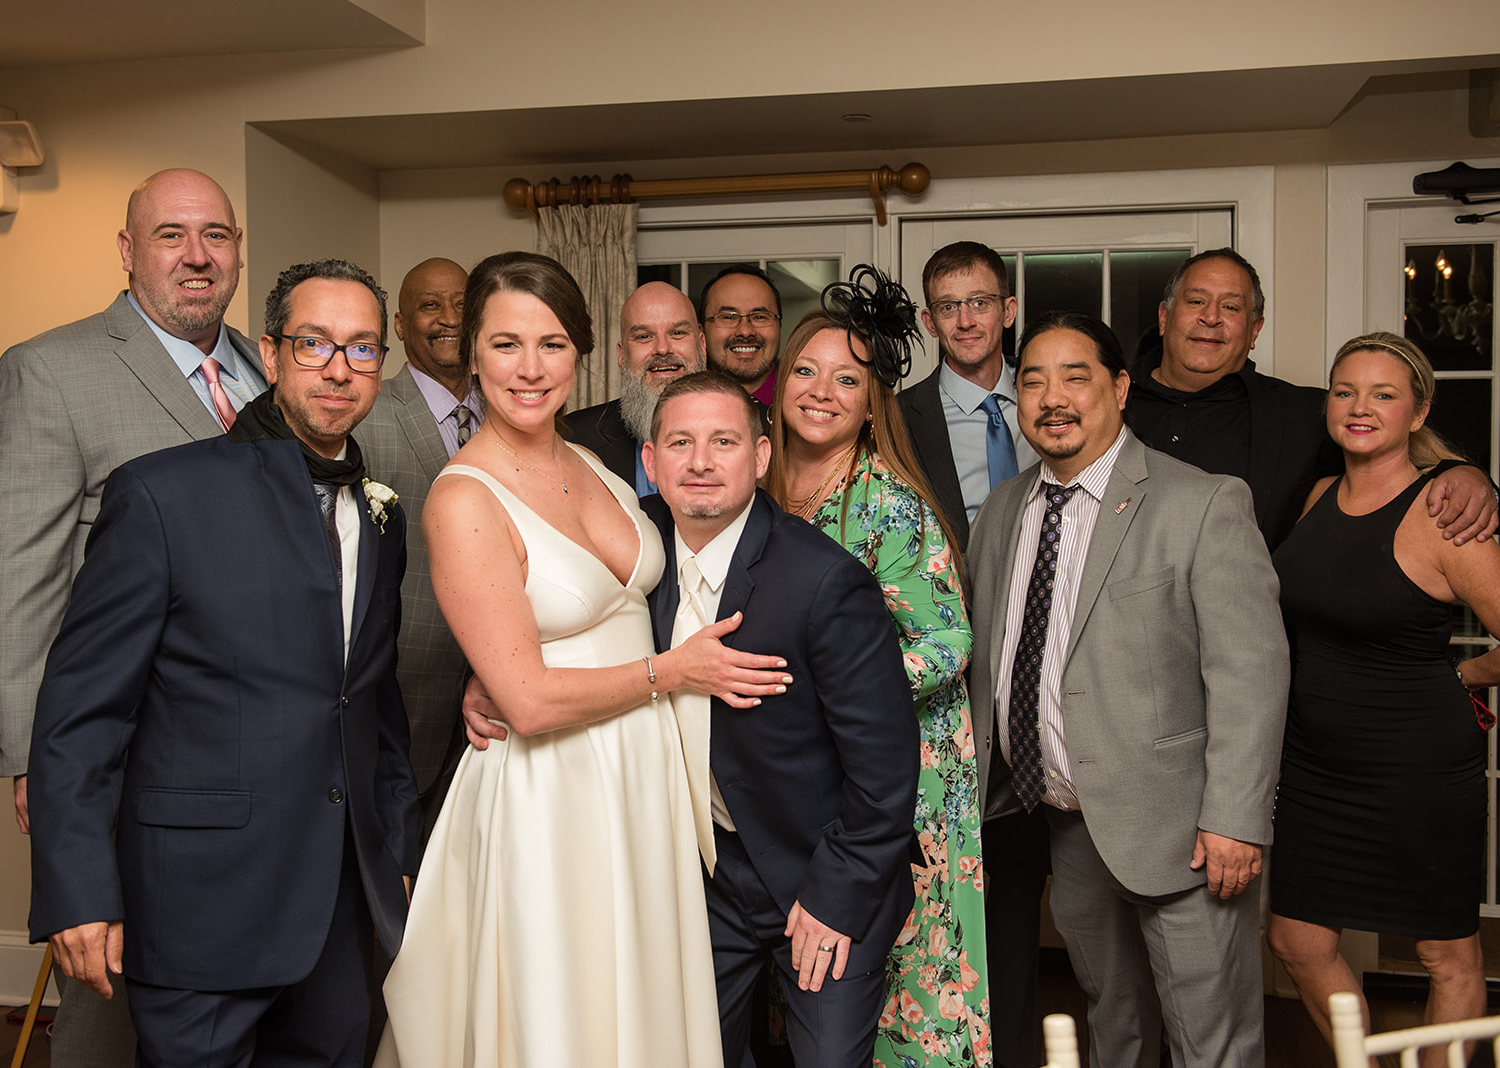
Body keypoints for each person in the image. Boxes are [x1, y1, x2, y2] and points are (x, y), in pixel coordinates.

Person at [375, 252, 789, 1068]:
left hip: (640, 773)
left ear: (582, 352)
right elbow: (524, 701)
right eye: (505, 344)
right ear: (472, 352)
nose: (531, 370)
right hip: (549, 790)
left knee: (639, 1000)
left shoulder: (596, 463)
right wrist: (668, 675)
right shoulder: (463, 497)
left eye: (553, 344)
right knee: (563, 1010)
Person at [27, 258, 418, 1067]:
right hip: (201, 901)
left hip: (341, 907)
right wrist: (76, 890)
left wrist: (397, 855)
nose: (339, 369)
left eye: (363, 348)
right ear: (270, 357)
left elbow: (373, 705)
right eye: (314, 344)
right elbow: (82, 715)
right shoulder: (163, 496)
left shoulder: (383, 517)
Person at [969, 310, 1288, 1068]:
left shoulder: (1202, 503)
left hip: (1186, 833)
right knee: (1114, 1024)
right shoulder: (1003, 510)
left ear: (1119, 387)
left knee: (1210, 1040)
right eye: (1034, 380)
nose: (1052, 397)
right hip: (1067, 821)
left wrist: (1236, 820)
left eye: (1074, 377)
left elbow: (1251, 673)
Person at [0, 167, 265, 1065]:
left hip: (258, 745)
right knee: (115, 992)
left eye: (216, 236)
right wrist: (40, 755)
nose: (197, 257)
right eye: (170, 236)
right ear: (127, 251)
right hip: (124, 743)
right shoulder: (51, 370)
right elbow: (21, 578)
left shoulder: (270, 368)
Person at [640, 370, 921, 1068]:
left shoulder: (824, 580)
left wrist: (834, 895)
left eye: (724, 441)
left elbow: (885, 773)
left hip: (819, 866)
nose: (700, 461)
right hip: (699, 875)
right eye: (680, 442)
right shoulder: (633, 560)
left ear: (761, 457)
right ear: (651, 463)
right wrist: (483, 687)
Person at [763, 266, 988, 1068]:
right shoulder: (756, 484)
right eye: (807, 371)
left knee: (903, 988)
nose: (823, 391)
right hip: (799, 769)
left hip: (902, 773)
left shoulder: (890, 503)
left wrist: (829, 683)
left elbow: (948, 642)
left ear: (870, 404)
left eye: (847, 380)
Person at [1267, 332, 1500, 1067]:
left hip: (1417, 770)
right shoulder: (1316, 496)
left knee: (1444, 954)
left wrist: (1464, 678)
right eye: (1345, 391)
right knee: (1297, 940)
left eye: (1383, 394)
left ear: (1418, 410)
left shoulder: (1441, 510)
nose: (1359, 407)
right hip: (1313, 764)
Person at [897, 240, 1045, 1068]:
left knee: (1025, 906)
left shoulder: (1052, 399)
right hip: (948, 693)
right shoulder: (899, 416)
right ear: (928, 320)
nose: (964, 318)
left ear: (1007, 309)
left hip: (1052, 677)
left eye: (979, 301)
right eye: (947, 305)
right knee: (955, 902)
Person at [1129, 247, 1497, 550]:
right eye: (1196, 301)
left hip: (1247, 633)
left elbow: (1402, 449)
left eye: (1231, 307)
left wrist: (1467, 474)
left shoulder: (1306, 414)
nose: (1211, 317)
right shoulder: (1111, 405)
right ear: (1165, 317)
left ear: (1254, 330)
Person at [358, 255, 477, 841]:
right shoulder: (365, 413)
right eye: (431, 305)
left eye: (461, 303)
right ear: (400, 326)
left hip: (508, 691)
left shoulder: (519, 412)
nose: (449, 317)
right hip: (407, 684)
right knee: (400, 876)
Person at [566, 280, 707, 492]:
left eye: (677, 333)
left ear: (702, 345)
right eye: (644, 336)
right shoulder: (572, 440)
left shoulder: (756, 431)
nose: (662, 348)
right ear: (621, 356)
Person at [699, 263, 782, 406]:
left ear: (779, 328)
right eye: (728, 317)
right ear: (702, 333)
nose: (745, 331)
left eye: (760, 317)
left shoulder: (807, 401)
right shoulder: (678, 403)